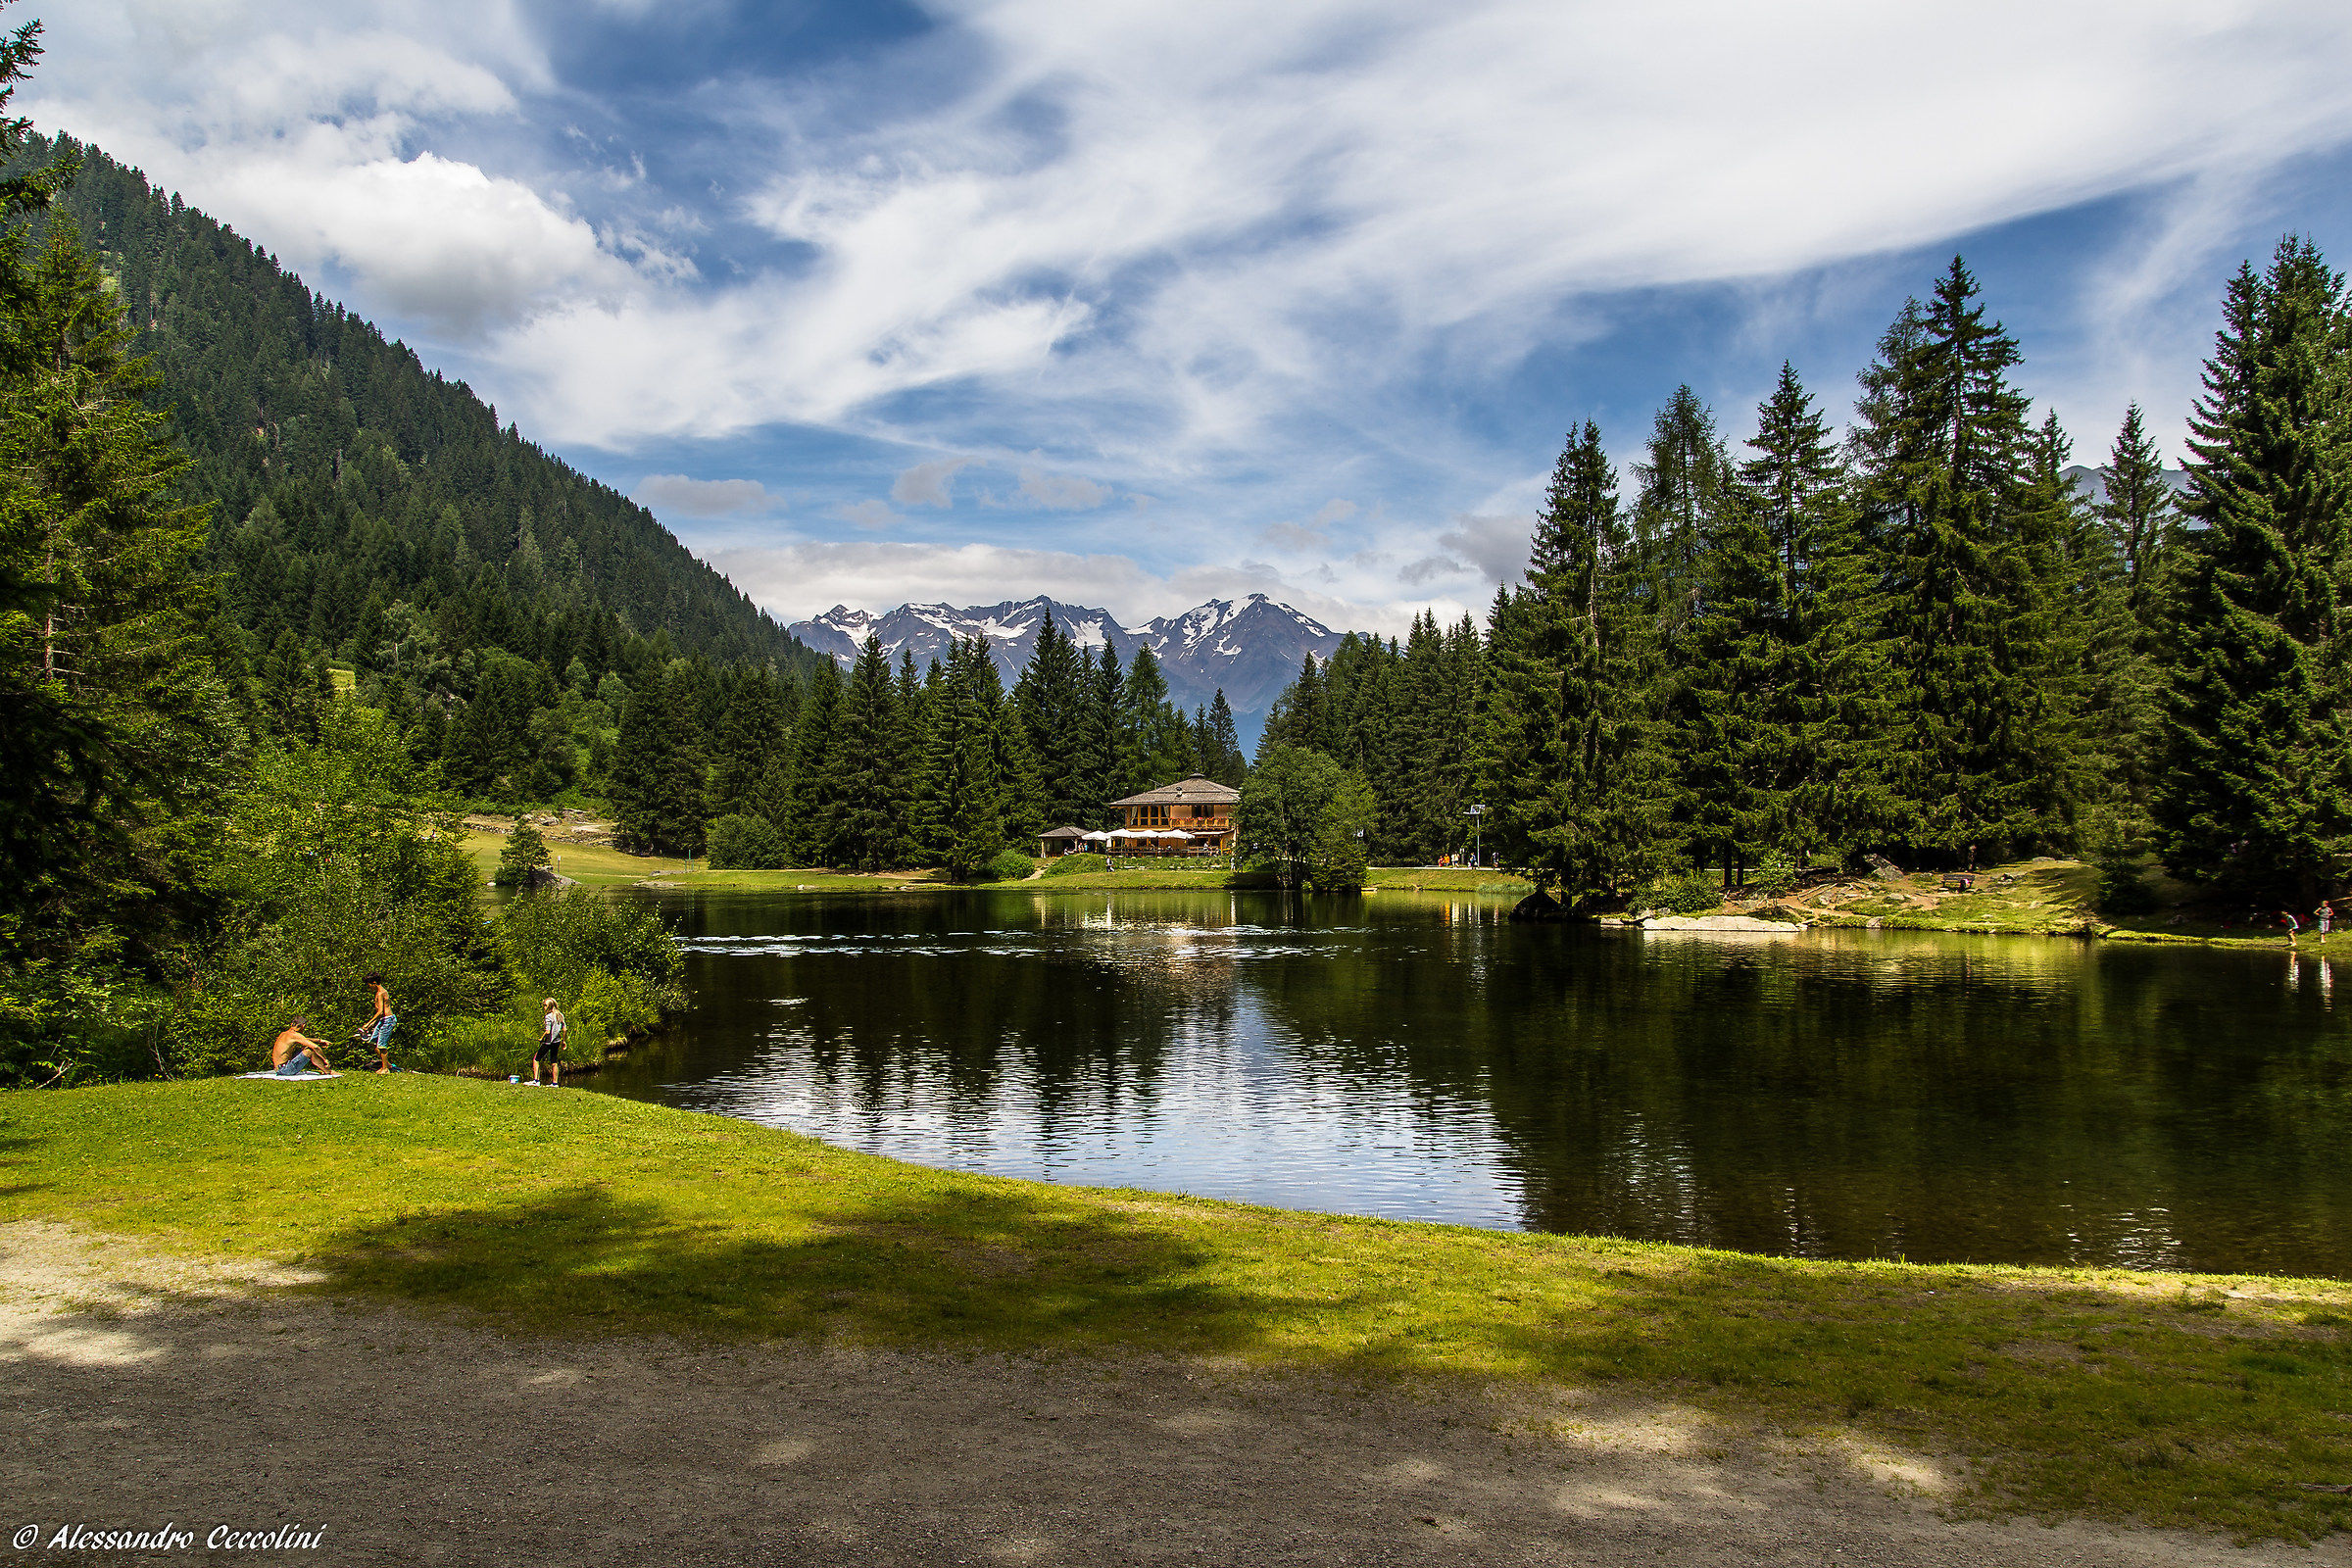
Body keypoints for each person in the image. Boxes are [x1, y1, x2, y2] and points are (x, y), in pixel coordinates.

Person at [355, 973, 398, 1073]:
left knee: (382, 1045)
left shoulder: (380, 993)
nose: (368, 987)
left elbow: (380, 1012)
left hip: (388, 1020)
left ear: (374, 983)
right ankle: (388, 1065)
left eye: (369, 984)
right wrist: (370, 1025)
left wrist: (368, 1023)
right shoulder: (381, 992)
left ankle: (385, 1069)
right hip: (383, 1020)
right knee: (373, 1042)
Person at [270, 1017, 339, 1077]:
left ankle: (325, 1070)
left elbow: (304, 1039)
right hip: (285, 1070)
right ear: (303, 1025)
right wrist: (325, 1059)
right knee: (309, 1051)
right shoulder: (295, 1035)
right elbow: (316, 1047)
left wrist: (320, 1041)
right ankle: (328, 1071)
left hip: (278, 1068)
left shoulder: (284, 1034)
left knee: (303, 1049)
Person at [530, 997, 566, 1086]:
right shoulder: (560, 1015)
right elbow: (564, 1029)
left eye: (545, 1005)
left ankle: (536, 1081)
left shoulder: (548, 1017)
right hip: (557, 1041)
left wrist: (541, 1038)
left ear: (550, 1006)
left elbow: (548, 1031)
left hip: (548, 1042)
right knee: (554, 1062)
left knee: (536, 1059)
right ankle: (555, 1083)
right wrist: (563, 1041)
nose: (544, 1007)